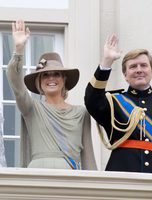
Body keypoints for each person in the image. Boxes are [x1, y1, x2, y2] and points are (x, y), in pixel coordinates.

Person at [84, 34, 152, 174]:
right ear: (125, 74)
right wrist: (106, 62)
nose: (139, 69)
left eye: (144, 65)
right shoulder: (114, 102)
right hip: (122, 180)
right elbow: (91, 100)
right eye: (133, 67)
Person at [6, 20, 96, 170]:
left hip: (71, 176)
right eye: (45, 75)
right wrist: (18, 50)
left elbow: (88, 155)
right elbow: (17, 86)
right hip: (38, 174)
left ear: (64, 79)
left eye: (56, 74)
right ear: (39, 82)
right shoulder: (32, 108)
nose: (51, 78)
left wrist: (94, 187)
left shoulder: (81, 112)